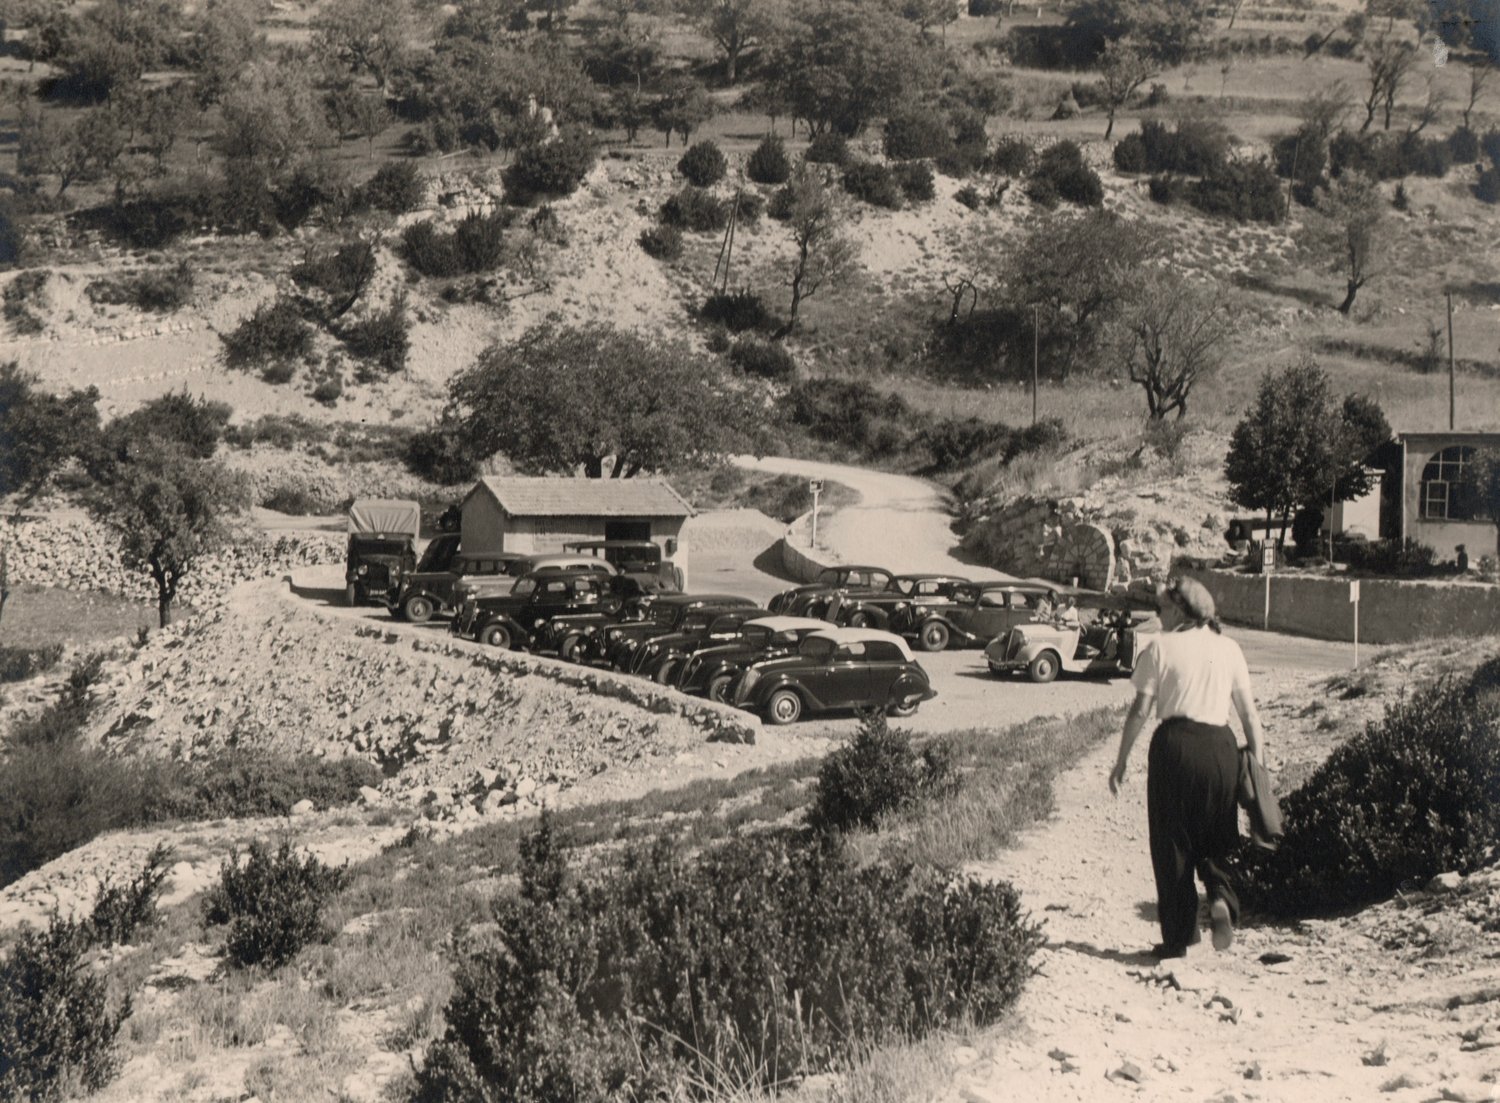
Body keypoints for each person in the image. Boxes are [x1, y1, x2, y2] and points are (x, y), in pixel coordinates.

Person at [1108, 576, 1267, 960]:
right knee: (1217, 834)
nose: (1157, 615)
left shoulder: (1161, 648)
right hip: (1220, 748)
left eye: (1161, 608)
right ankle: (1220, 900)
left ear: (1180, 610)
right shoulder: (1228, 648)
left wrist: (1122, 759)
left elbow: (1141, 710)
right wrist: (1258, 765)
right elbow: (1249, 715)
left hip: (1174, 747)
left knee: (1172, 842)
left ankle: (1178, 938)